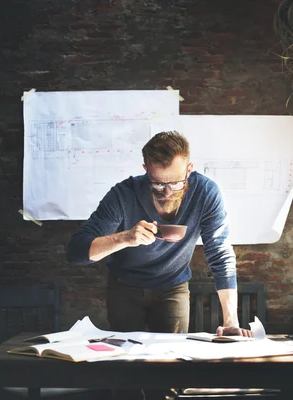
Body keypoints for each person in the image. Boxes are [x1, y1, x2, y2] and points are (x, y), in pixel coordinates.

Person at [66, 130, 251, 338]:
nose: (167, 192)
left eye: (175, 183)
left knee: (172, 355)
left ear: (189, 169)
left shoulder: (206, 193)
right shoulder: (123, 194)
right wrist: (125, 238)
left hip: (173, 285)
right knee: (123, 358)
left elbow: (220, 253)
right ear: (146, 169)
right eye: (158, 183)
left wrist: (231, 321)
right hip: (125, 286)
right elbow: (76, 252)